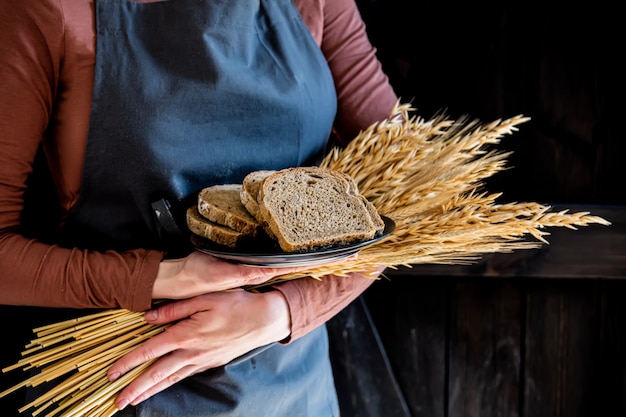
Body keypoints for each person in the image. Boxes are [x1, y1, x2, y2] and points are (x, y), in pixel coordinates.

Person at [0, 0, 398, 415]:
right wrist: (165, 277)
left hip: (293, 392)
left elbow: (410, 184)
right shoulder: (48, 10)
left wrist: (283, 311)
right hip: (117, 387)